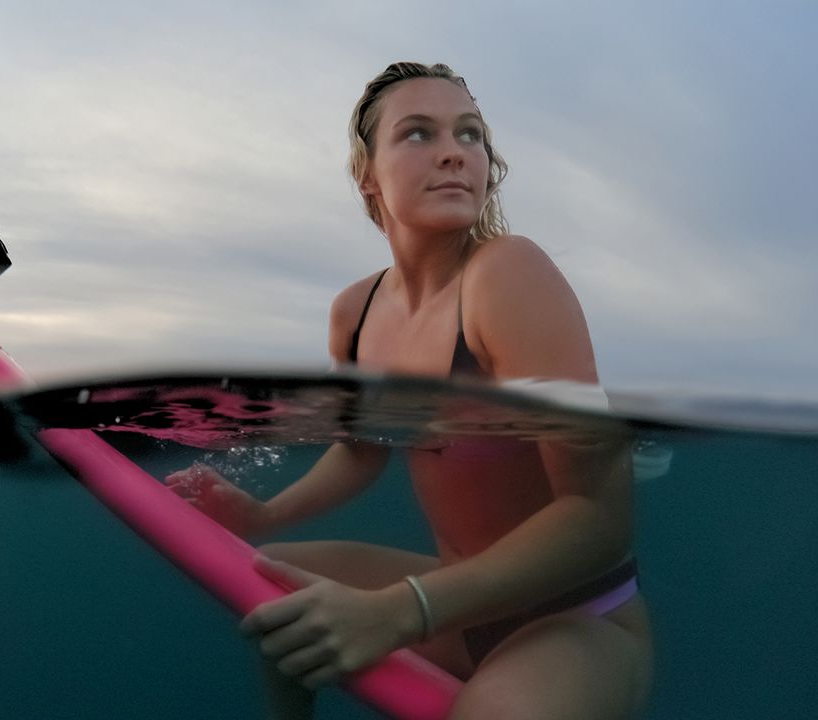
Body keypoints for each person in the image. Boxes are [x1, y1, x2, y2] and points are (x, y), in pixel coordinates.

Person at [165, 62, 653, 720]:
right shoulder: (354, 313)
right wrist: (262, 517)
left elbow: (599, 520)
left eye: (471, 134)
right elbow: (362, 450)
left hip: (576, 620)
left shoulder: (507, 274)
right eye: (419, 133)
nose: (456, 151)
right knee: (269, 583)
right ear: (367, 173)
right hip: (455, 604)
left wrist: (401, 612)